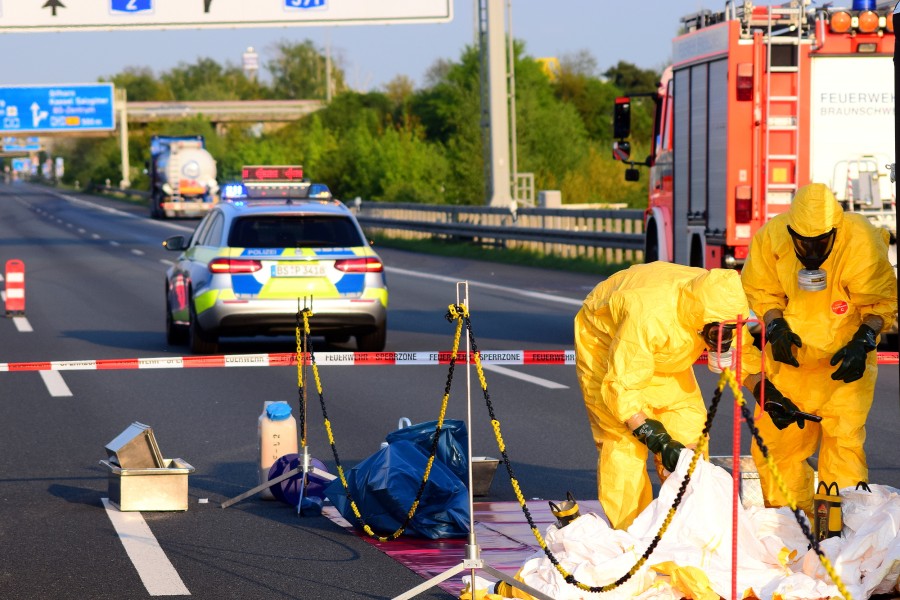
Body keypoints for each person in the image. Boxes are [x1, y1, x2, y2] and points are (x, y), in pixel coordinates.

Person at [574, 262, 769, 530]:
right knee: (623, 443)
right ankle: (631, 533)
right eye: (717, 334)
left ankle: (685, 527)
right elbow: (621, 388)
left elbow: (743, 355)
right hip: (607, 344)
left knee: (690, 431)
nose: (723, 341)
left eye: (729, 332)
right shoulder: (649, 315)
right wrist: (659, 441)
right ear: (702, 320)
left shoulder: (721, 304)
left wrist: (767, 392)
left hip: (664, 350)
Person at [741, 182, 897, 516]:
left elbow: (881, 302)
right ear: (791, 231)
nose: (811, 251)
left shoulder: (860, 241)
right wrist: (775, 324)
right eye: (804, 243)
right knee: (777, 446)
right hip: (792, 363)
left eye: (820, 243)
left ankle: (845, 533)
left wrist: (864, 339)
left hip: (844, 363)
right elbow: (761, 289)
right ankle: (791, 527)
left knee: (843, 446)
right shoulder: (772, 238)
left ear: (835, 232)